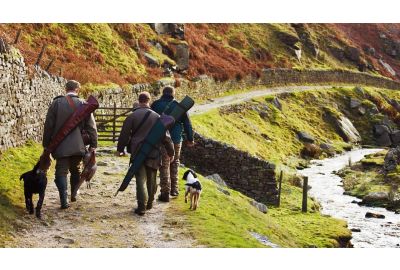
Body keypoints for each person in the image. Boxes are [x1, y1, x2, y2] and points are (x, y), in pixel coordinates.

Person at [117, 91, 174, 216]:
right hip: (153, 152)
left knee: (140, 180)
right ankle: (150, 203)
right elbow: (166, 137)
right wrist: (171, 152)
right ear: (149, 100)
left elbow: (124, 135)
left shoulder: (132, 116)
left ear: (139, 100)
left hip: (137, 152)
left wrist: (120, 149)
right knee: (152, 179)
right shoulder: (157, 117)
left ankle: (141, 206)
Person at [43, 80, 98, 209]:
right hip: (78, 145)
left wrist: (46, 145)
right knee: (76, 169)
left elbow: (48, 126)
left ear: (65, 88)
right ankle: (74, 194)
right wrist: (94, 144)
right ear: (77, 89)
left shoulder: (57, 103)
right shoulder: (84, 104)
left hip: (60, 145)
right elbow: (92, 127)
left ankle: (64, 199)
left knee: (61, 172)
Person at [151, 86, 194, 202]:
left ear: (163, 93)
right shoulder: (179, 106)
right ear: (173, 94)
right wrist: (190, 139)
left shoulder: (155, 105)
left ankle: (165, 191)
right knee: (175, 162)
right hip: (176, 139)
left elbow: (150, 120)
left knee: (164, 164)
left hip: (160, 139)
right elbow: (187, 124)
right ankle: (174, 190)